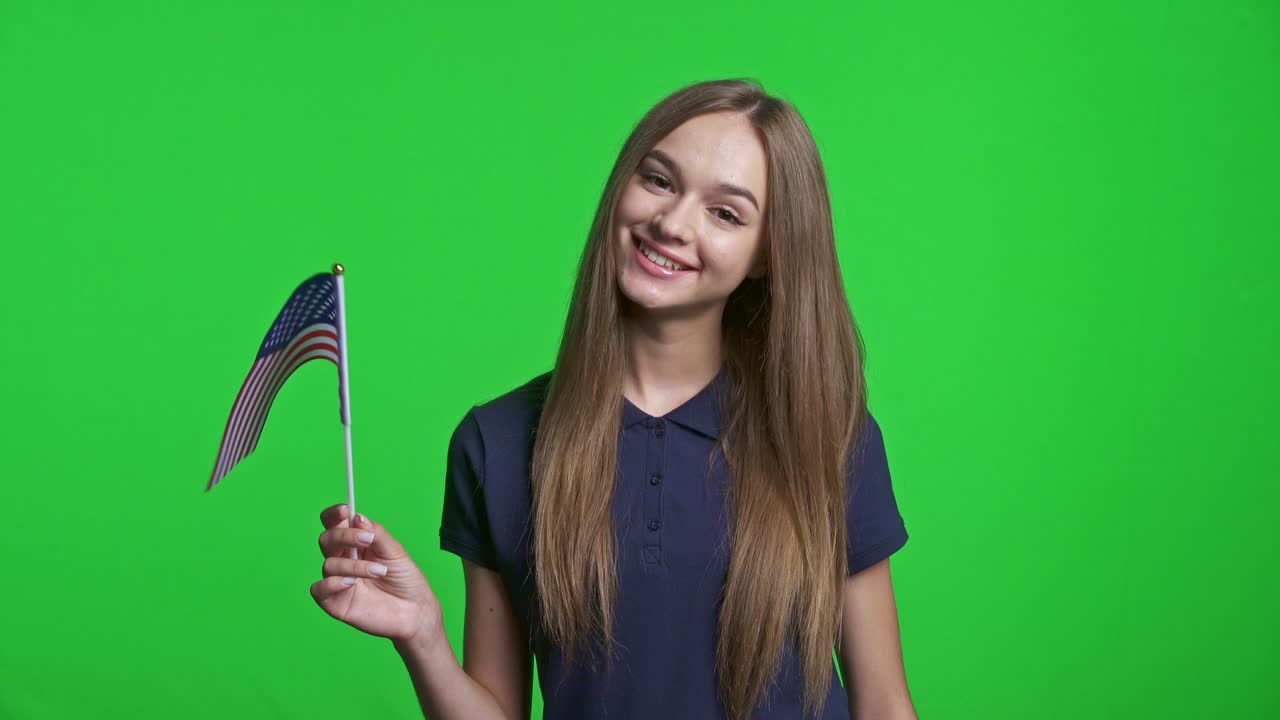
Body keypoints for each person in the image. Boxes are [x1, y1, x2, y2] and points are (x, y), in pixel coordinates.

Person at [311, 78, 916, 720]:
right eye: (658, 180)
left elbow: (883, 703)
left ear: (765, 256)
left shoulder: (825, 436)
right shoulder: (497, 443)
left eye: (726, 213)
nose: (672, 223)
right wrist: (423, 637)